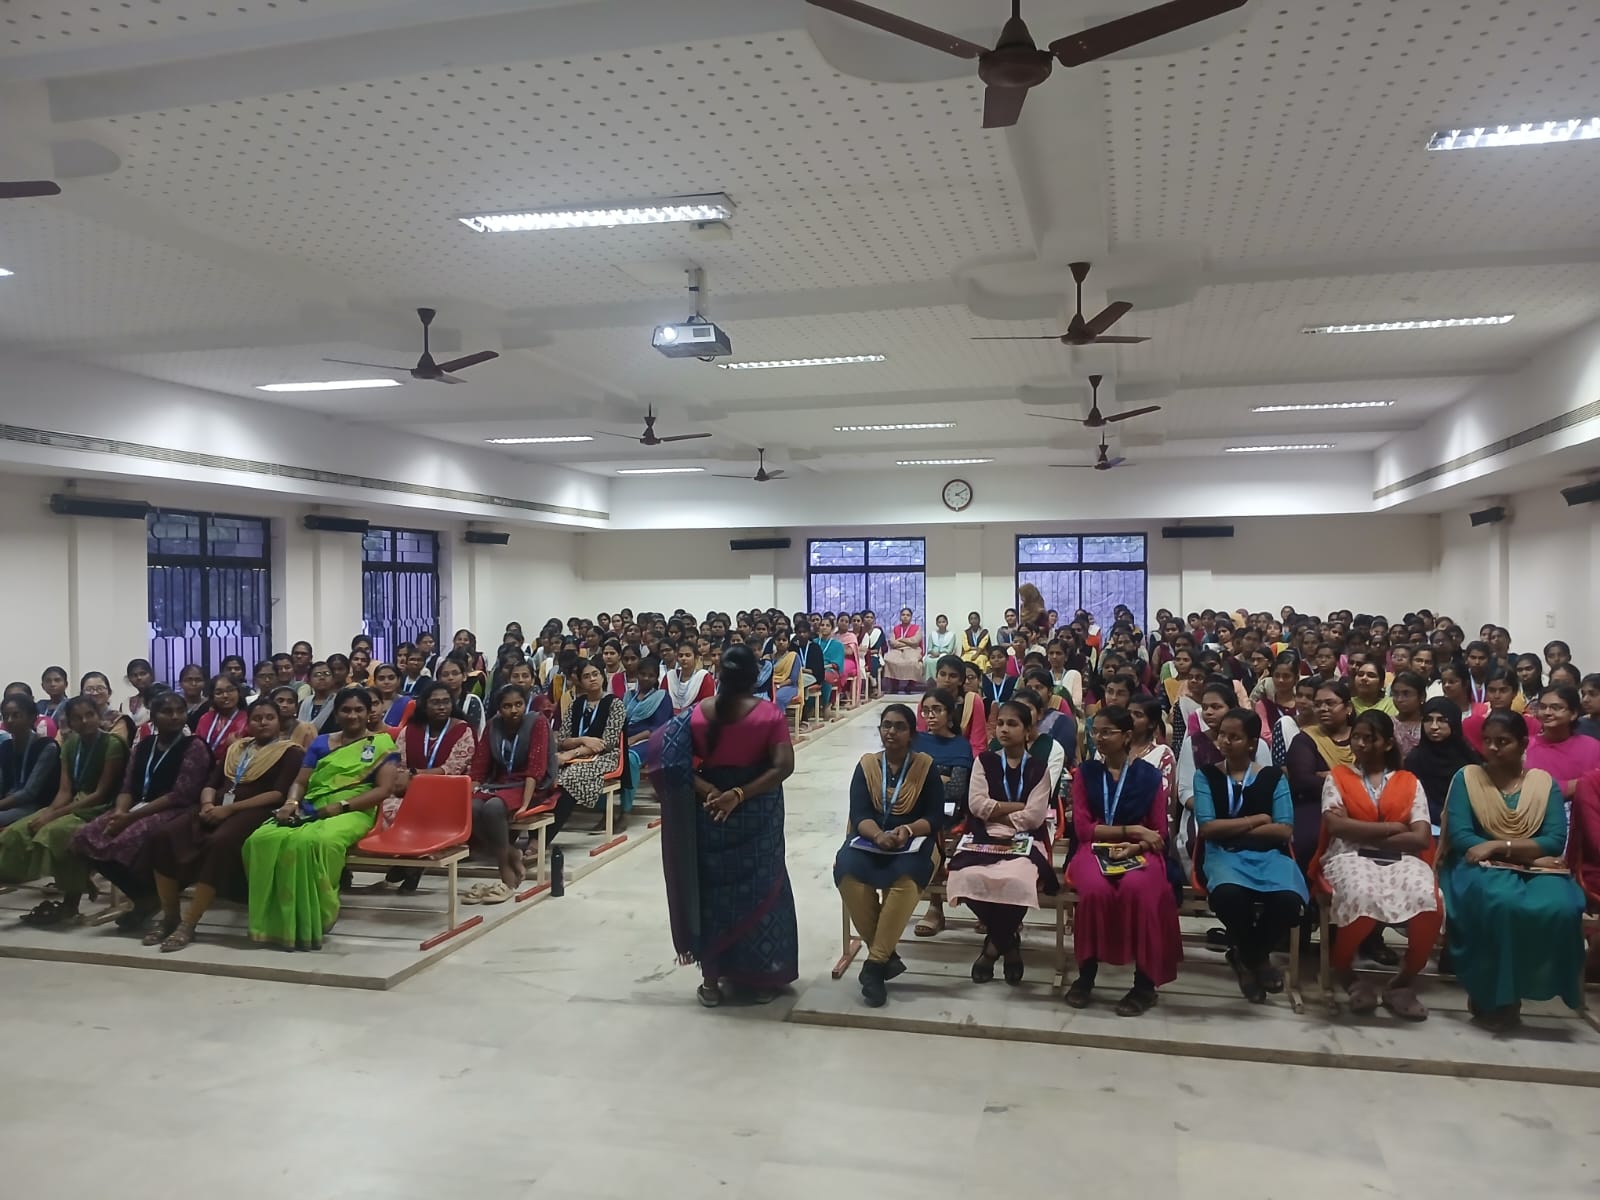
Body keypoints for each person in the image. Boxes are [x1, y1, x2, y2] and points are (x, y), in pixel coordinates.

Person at [654, 644, 798, 1006]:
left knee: (713, 893)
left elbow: (673, 765)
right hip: (757, 810)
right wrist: (739, 794)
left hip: (711, 812)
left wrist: (711, 792)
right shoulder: (769, 714)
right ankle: (760, 979)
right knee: (763, 890)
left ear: (719, 675)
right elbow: (783, 766)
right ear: (755, 677)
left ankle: (711, 981)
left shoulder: (696, 715)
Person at [1436, 709, 1586, 1029]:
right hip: (1476, 867)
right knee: (1502, 903)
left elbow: (1553, 840)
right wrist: (1520, 853)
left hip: (1533, 867)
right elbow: (1463, 838)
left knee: (1562, 906)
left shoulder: (1542, 784)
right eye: (1487, 741)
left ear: (1523, 744)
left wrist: (1499, 847)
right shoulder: (1468, 779)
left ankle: (1528, 984)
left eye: (1502, 741)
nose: (1492, 748)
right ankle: (1495, 997)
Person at [241, 687, 398, 950]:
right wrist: (291, 803)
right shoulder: (321, 742)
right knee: (260, 839)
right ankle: (273, 922)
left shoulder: (382, 744)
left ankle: (318, 915)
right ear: (336, 713)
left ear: (369, 712)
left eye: (358, 710)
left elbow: (383, 790)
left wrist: (341, 806)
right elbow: (300, 782)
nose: (352, 715)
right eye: (346, 710)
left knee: (317, 842)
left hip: (355, 810)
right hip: (311, 807)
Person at [1308, 710, 1441, 1019]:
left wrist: (1362, 831)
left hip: (1403, 859)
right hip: (1348, 857)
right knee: (1363, 896)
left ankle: (1403, 981)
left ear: (1388, 744)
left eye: (1370, 738)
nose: (1361, 744)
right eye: (1356, 737)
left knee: (1430, 901)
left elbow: (1420, 837)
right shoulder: (1338, 777)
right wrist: (1392, 828)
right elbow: (1336, 827)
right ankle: (1345, 972)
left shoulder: (1408, 782)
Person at [146, 697, 305, 951]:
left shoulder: (291, 752)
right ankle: (170, 916)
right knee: (162, 835)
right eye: (257, 718)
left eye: (269, 718)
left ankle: (188, 923)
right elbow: (211, 783)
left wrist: (229, 809)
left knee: (220, 842)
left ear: (279, 722)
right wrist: (208, 804)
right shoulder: (237, 749)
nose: (263, 723)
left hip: (254, 810)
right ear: (248, 722)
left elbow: (278, 794)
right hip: (216, 807)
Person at [1063, 706, 1180, 1015]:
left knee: (1139, 890)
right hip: (1094, 849)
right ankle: (1086, 976)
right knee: (1095, 891)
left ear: (1127, 736)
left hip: (1139, 850)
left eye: (1107, 732)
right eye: (1095, 732)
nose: (1098, 738)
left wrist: (1135, 845)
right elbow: (1084, 829)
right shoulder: (1086, 773)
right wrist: (1132, 830)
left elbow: (1158, 831)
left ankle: (1145, 984)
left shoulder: (1149, 776)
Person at [70, 691, 213, 932]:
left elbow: (179, 795)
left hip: (177, 810)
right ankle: (143, 897)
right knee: (84, 837)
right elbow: (128, 787)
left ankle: (149, 896)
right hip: (137, 806)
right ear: (153, 717)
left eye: (180, 711)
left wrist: (129, 818)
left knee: (123, 841)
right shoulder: (144, 745)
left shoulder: (194, 746)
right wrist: (119, 813)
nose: (175, 716)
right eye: (167, 712)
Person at [1192, 708, 1307, 1002]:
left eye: (1235, 737)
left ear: (1252, 743)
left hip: (1269, 855)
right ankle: (1259, 961)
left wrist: (1230, 828)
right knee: (1228, 896)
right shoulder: (1206, 776)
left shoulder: (1273, 777)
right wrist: (1257, 820)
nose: (1225, 742)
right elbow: (1208, 828)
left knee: (1289, 901)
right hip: (1223, 854)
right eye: (1222, 735)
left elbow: (1283, 829)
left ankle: (1246, 956)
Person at [834, 703, 941, 1007]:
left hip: (915, 841)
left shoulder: (925, 767)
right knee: (847, 871)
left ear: (912, 734)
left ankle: (875, 965)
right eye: (886, 725)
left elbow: (935, 817)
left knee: (906, 879)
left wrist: (906, 829)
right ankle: (884, 959)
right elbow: (859, 813)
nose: (891, 732)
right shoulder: (867, 766)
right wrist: (878, 835)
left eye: (900, 727)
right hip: (869, 839)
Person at [945, 698, 1056, 985]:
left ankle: (993, 949)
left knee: (1019, 879)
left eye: (1013, 724)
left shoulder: (1039, 768)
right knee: (964, 876)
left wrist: (998, 812)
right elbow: (976, 805)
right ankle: (1008, 942)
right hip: (983, 835)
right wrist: (1015, 807)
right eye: (1001, 724)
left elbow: (1034, 817)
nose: (1004, 729)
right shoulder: (985, 761)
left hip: (1024, 840)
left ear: (1028, 730)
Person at [1, 696, 129, 925]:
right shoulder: (70, 745)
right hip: (74, 803)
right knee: (17, 831)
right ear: (69, 722)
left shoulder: (112, 744)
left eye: (89, 715)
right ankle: (58, 879)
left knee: (58, 832)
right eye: (77, 718)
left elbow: (100, 794)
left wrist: (53, 816)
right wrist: (47, 813)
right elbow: (65, 791)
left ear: (98, 715)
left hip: (101, 806)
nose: (85, 721)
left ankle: (72, 900)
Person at [469, 683, 550, 898]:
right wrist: (473, 789)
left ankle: (504, 868)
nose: (514, 710)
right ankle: (511, 853)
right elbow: (479, 765)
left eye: (518, 704)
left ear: (525, 704)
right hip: (499, 784)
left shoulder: (537, 722)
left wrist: (525, 804)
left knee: (493, 808)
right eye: (507, 706)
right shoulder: (493, 725)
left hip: (529, 786)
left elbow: (536, 768)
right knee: (471, 807)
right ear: (499, 709)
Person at [910, 686, 976, 939]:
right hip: (912, 807)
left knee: (933, 831)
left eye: (937, 710)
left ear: (949, 714)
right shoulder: (916, 741)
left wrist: (925, 779)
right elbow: (906, 782)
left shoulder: (960, 745)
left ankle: (936, 906)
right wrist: (940, 777)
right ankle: (929, 903)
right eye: (926, 710)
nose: (930, 716)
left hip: (949, 811)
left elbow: (956, 789)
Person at [1286, 680, 1357, 868]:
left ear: (1348, 707)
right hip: (1316, 804)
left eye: (1330, 703)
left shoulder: (1362, 735)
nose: (1323, 709)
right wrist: (1352, 778)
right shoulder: (1305, 739)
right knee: (1312, 838)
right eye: (1318, 704)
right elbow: (1302, 781)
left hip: (1364, 802)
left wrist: (1329, 775)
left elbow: (1377, 773)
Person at [553, 658, 626, 836]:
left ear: (602, 676)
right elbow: (562, 739)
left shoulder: (615, 704)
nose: (592, 679)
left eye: (595, 674)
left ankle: (545, 835)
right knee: (548, 773)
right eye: (586, 676)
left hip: (605, 756)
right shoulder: (576, 704)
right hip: (574, 755)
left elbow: (606, 743)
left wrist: (573, 752)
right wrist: (584, 740)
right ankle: (539, 829)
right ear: (580, 681)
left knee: (571, 775)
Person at [1404, 697, 1480, 828]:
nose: (1434, 726)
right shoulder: (1414, 759)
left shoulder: (1467, 760)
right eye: (1428, 720)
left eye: (1442, 720)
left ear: (1454, 724)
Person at [1524, 684, 1600, 799]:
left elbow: (1596, 784)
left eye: (1555, 708)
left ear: (1573, 714)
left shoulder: (1592, 747)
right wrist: (1578, 785)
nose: (1547, 712)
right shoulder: (1525, 747)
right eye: (1543, 707)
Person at [0, 694, 63, 829]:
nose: (9, 720)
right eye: (5, 716)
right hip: (8, 803)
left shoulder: (46, 746)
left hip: (35, 806)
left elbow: (30, 793)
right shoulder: (6, 746)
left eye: (16, 715)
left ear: (32, 717)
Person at [621, 656, 672, 820]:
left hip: (651, 741)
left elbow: (659, 728)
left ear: (656, 678)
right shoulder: (628, 696)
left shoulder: (661, 697)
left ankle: (625, 811)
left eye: (651, 675)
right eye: (643, 674)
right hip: (625, 739)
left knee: (629, 758)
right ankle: (604, 809)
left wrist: (633, 739)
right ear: (637, 674)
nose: (646, 678)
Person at [1254, 653, 1303, 766]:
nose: (1280, 680)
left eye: (1286, 676)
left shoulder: (1302, 704)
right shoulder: (1263, 705)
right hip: (1272, 756)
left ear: (1296, 678)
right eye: (1276, 676)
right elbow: (1265, 734)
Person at [194, 674, 248, 757]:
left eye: (230, 690)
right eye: (219, 693)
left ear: (238, 692)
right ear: (212, 696)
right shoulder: (205, 718)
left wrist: (236, 747)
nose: (225, 695)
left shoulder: (248, 720)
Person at [665, 642, 715, 715]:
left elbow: (706, 704)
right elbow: (663, 701)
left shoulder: (703, 676)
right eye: (680, 655)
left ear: (696, 658)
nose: (683, 658)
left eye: (688, 655)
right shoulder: (670, 676)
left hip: (696, 717)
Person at [882, 607, 924, 695]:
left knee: (913, 662)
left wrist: (901, 639)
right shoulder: (896, 628)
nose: (905, 617)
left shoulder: (917, 628)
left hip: (913, 650)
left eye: (908, 615)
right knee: (889, 660)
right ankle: (894, 686)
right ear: (900, 616)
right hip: (897, 650)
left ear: (911, 617)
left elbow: (915, 641)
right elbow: (892, 642)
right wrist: (908, 642)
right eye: (903, 615)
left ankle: (910, 686)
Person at [1389, 670, 1426, 760]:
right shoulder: (1388, 724)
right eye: (1395, 694)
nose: (1400, 699)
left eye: (1406, 694)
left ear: (1422, 696)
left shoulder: (1429, 724)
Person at [298, 662, 339, 735]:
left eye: (327, 674)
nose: (322, 678)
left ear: (333, 679)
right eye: (317, 675)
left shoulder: (339, 702)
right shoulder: (303, 703)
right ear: (309, 681)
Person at [923, 614, 957, 679]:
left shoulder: (951, 635)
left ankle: (939, 680)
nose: (941, 624)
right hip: (933, 654)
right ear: (937, 624)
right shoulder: (932, 634)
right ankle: (929, 680)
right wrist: (933, 652)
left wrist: (939, 653)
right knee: (928, 661)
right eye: (939, 622)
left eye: (943, 622)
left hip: (945, 654)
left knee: (940, 661)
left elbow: (950, 650)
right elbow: (929, 649)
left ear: (947, 623)